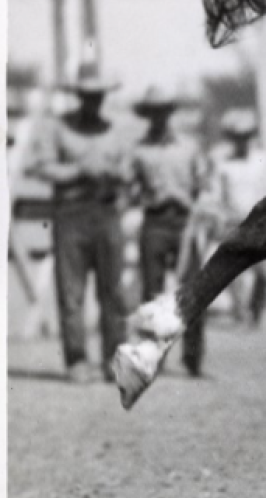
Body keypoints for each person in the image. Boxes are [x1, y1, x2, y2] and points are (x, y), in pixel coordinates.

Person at [21, 59, 131, 382]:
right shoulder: (58, 127)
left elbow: (127, 169)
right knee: (71, 291)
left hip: (107, 211)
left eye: (98, 95)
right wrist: (77, 171)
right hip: (71, 212)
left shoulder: (114, 130)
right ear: (77, 95)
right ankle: (76, 359)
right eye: (86, 95)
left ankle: (114, 358)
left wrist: (114, 173)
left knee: (112, 290)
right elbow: (39, 166)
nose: (92, 101)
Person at [128, 86, 212, 375]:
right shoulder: (138, 150)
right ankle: (153, 357)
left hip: (184, 223)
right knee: (152, 291)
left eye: (163, 111)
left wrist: (198, 209)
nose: (158, 117)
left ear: (169, 113)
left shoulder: (188, 146)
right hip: (154, 221)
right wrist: (143, 196)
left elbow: (204, 184)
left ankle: (193, 358)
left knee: (193, 291)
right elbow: (128, 189)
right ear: (147, 115)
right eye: (153, 112)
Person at [211, 108, 266, 326]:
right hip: (232, 220)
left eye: (245, 136)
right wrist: (221, 217)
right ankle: (240, 313)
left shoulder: (262, 160)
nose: (242, 141)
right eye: (237, 137)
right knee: (233, 271)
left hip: (258, 220)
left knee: (263, 271)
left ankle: (256, 310)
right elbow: (217, 193)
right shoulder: (222, 163)